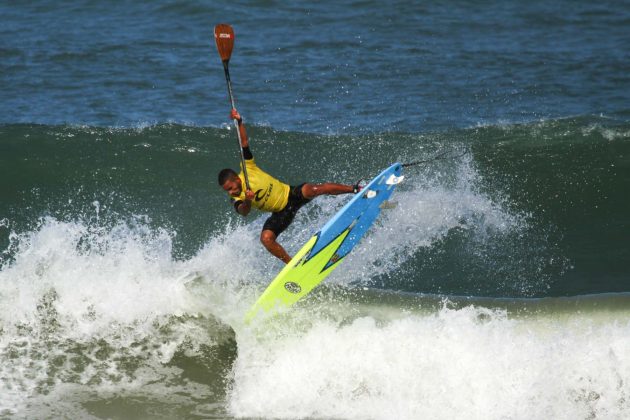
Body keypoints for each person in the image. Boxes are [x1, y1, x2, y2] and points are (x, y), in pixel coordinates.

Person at [218, 109, 360, 264]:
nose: (231, 192)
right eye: (228, 191)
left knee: (314, 189)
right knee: (266, 239)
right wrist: (248, 200)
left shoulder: (248, 168)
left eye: (231, 187)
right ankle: (293, 265)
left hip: (291, 194)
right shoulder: (236, 198)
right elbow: (243, 211)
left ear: (236, 179)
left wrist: (239, 121)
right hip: (280, 213)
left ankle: (354, 189)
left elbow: (244, 143)